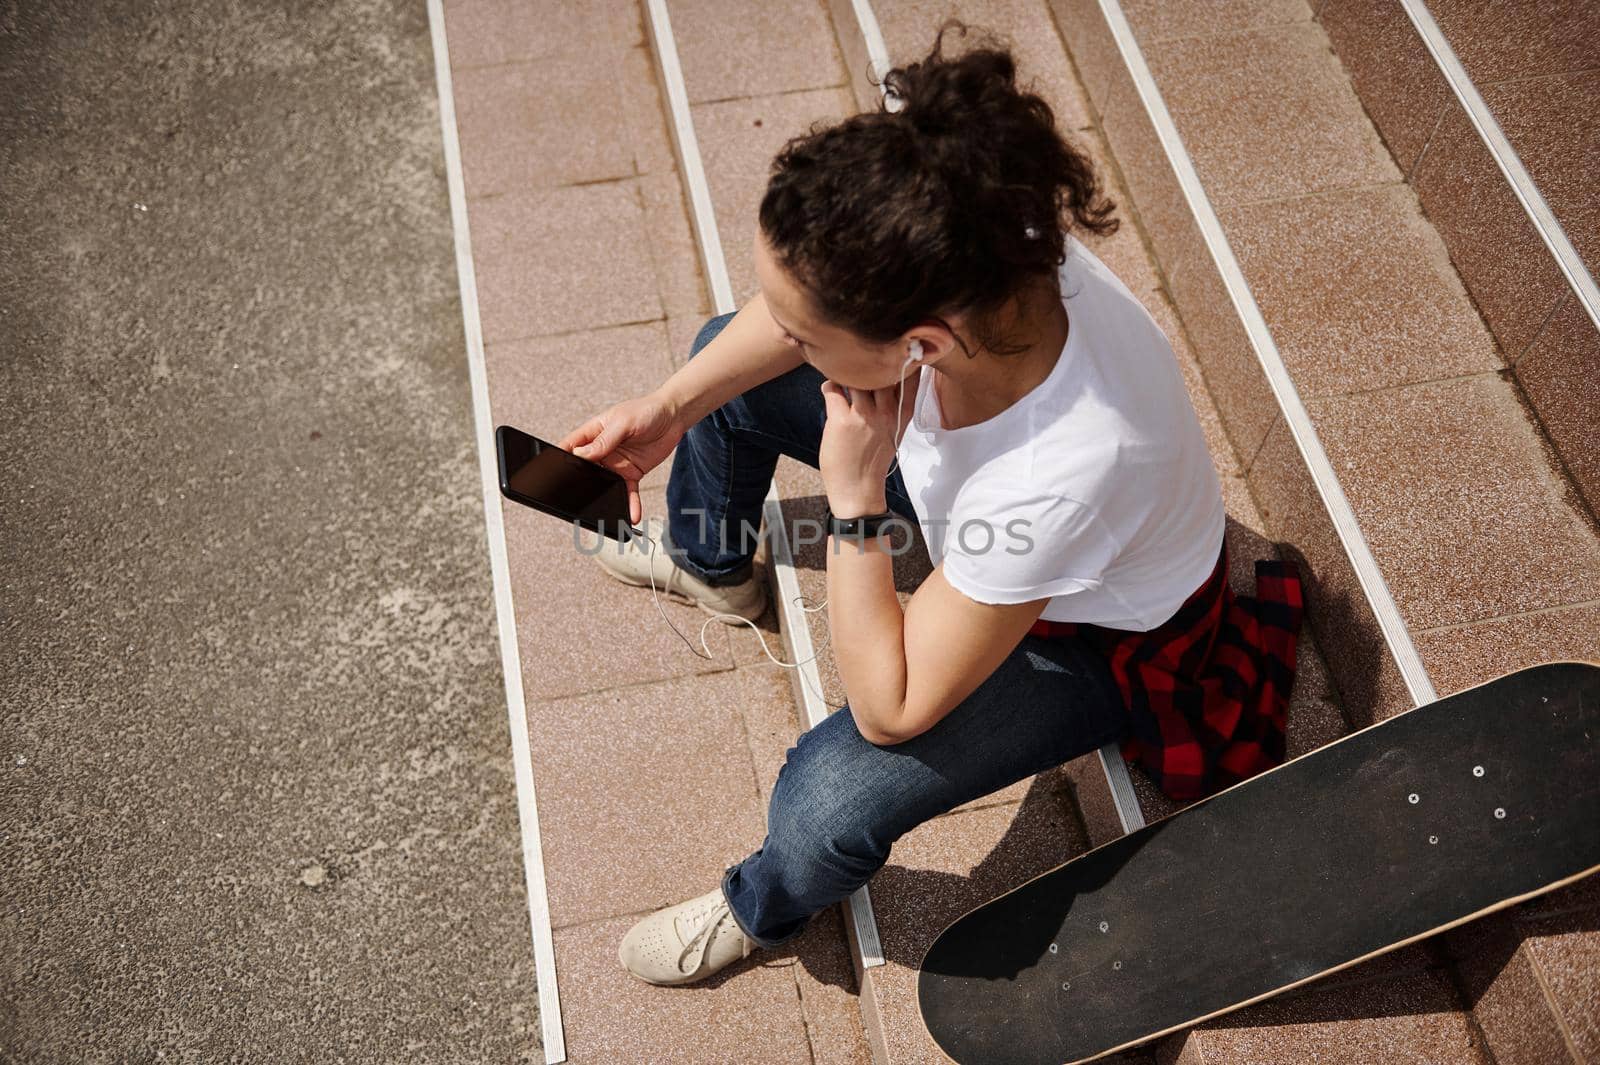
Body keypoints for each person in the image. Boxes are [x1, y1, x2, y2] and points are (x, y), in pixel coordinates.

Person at [558, 18, 1302, 987]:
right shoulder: (966, 227)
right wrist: (665, 409)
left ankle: (766, 904)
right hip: (981, 487)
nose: (781, 332)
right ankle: (714, 568)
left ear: (920, 344)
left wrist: (855, 499)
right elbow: (810, 306)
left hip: (1084, 631)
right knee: (715, 361)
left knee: (826, 799)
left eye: (800, 331)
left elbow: (893, 706)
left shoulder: (1068, 466)